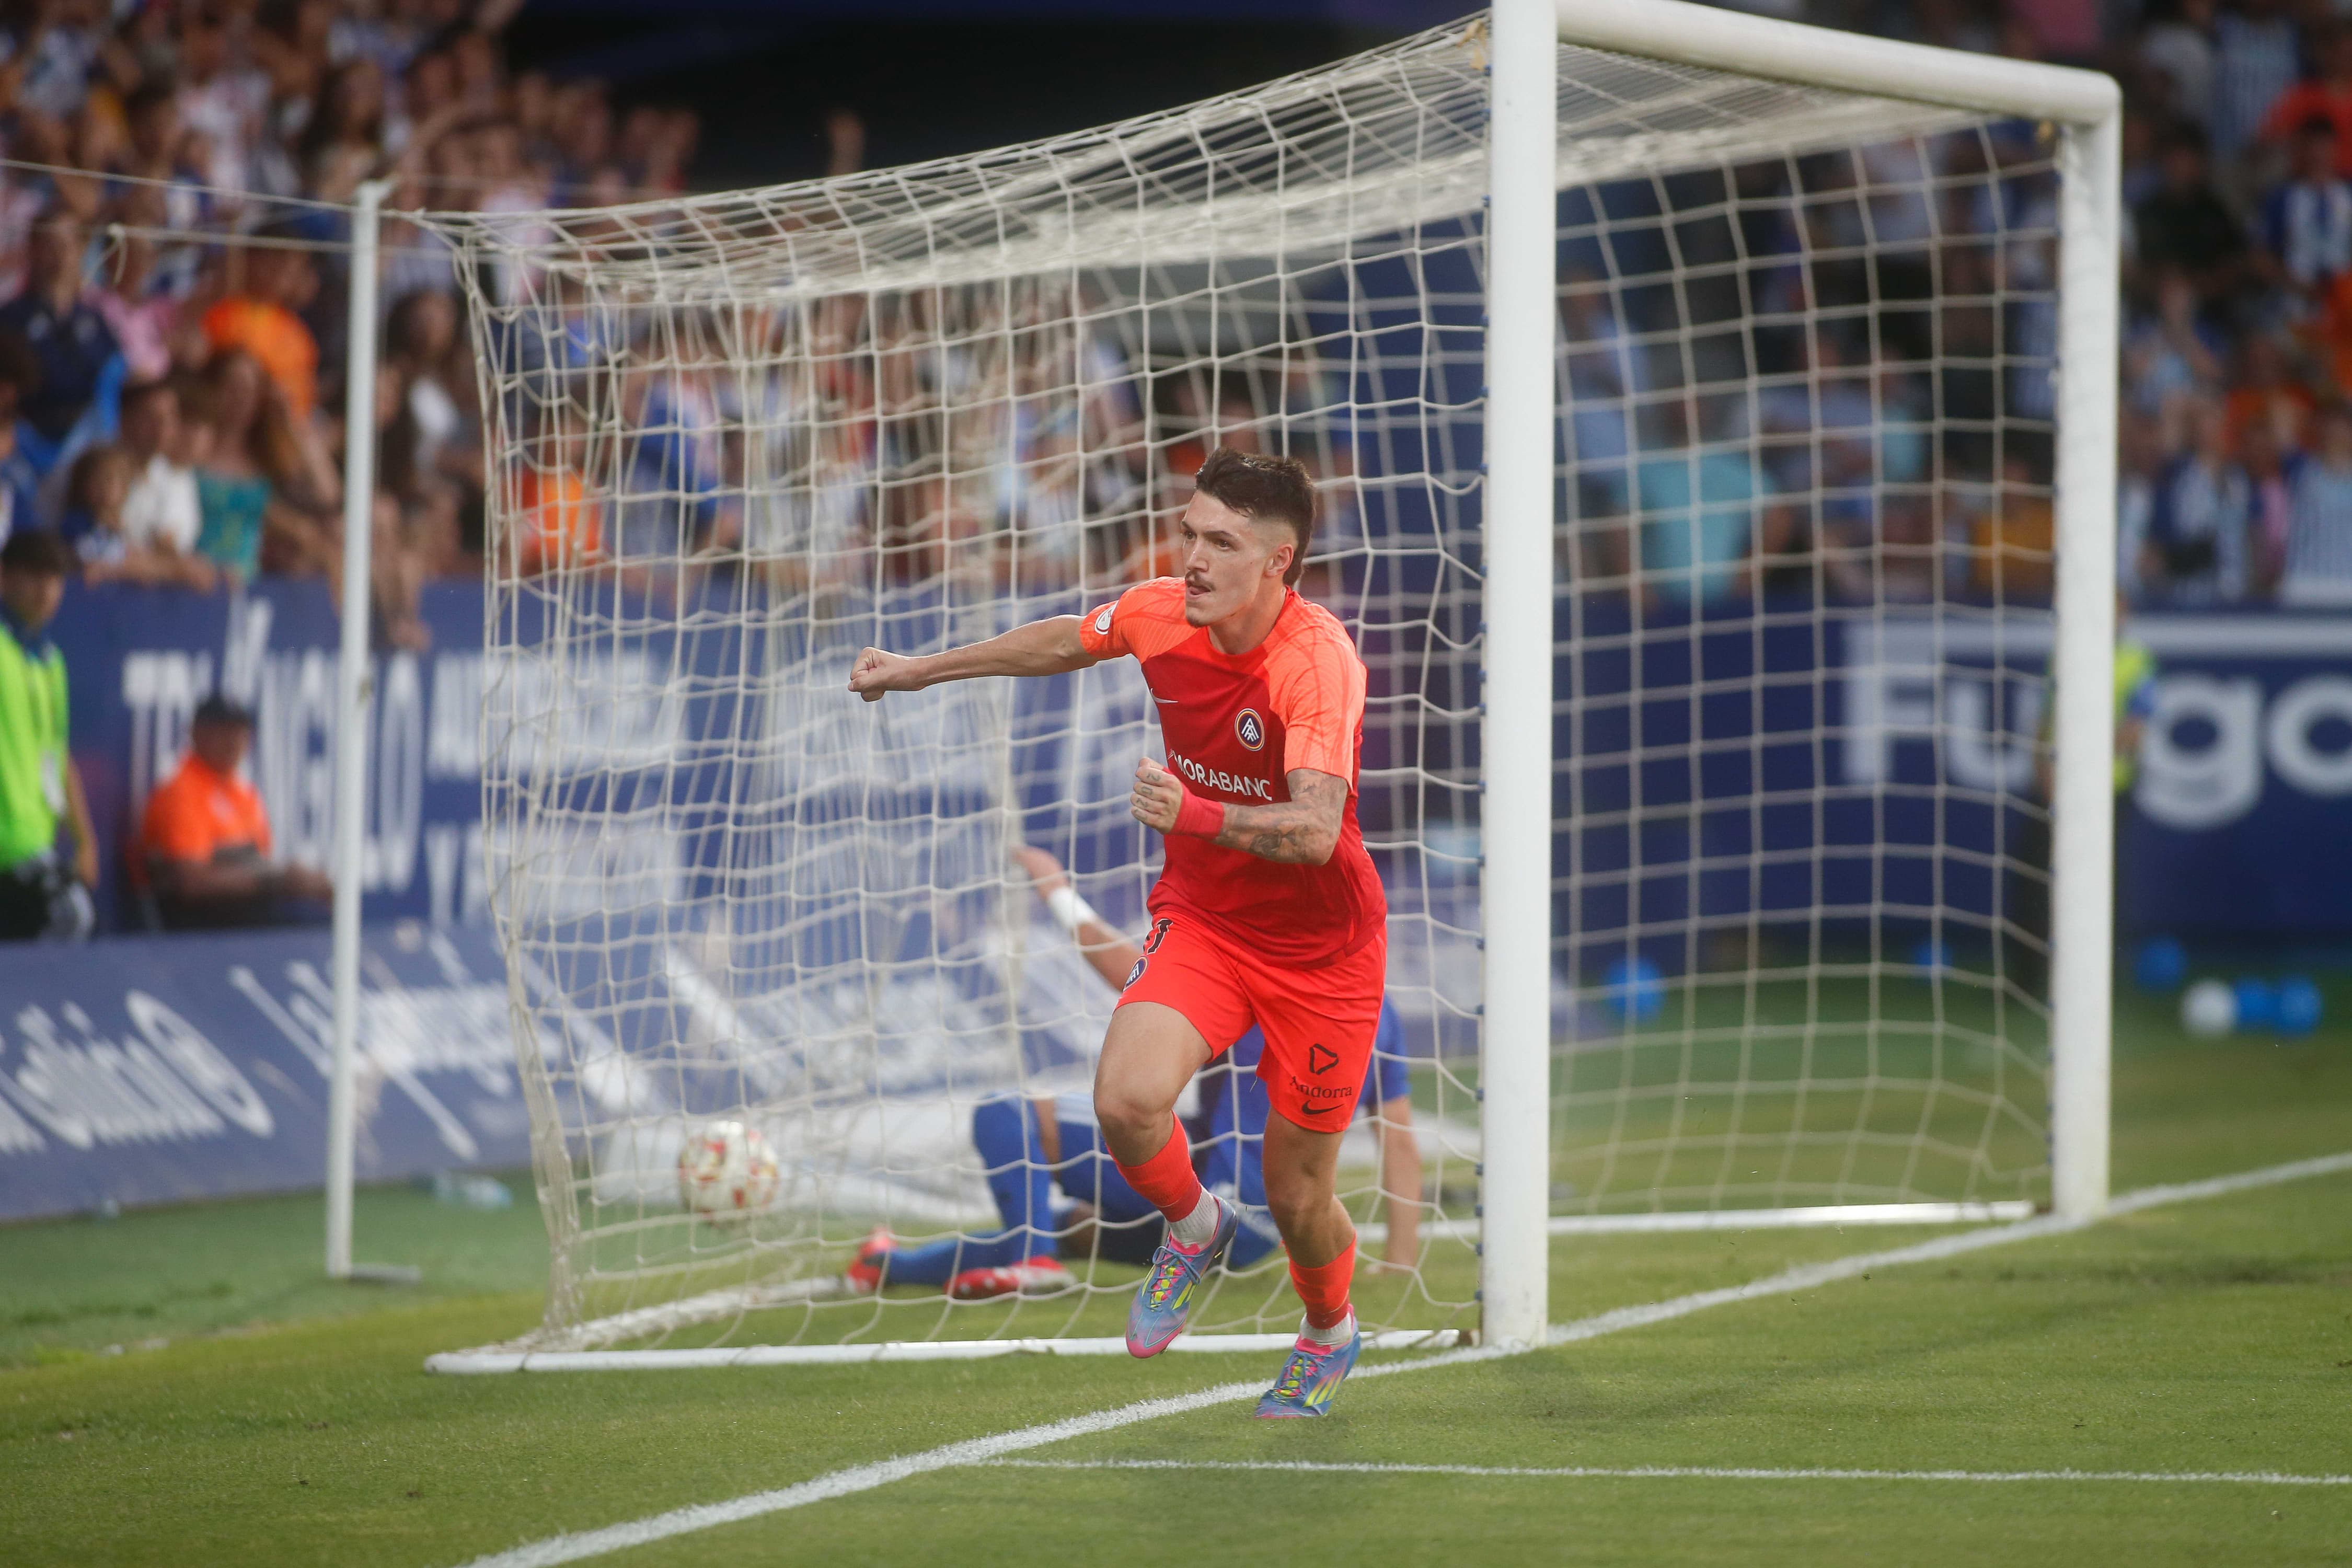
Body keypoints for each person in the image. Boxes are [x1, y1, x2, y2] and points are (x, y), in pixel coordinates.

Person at [850, 446, 1385, 1418]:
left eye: (1221, 542)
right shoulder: (1160, 612)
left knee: (1301, 1198)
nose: (1194, 557)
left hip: (1323, 957)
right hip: (1209, 923)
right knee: (1127, 1103)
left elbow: (1312, 833)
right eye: (1189, 531)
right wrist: (922, 671)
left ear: (1279, 561)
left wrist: (1199, 816)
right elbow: (1064, 641)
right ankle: (1192, 1225)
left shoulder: (1318, 664)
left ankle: (1328, 1331)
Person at [847, 844, 1423, 1301]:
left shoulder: (1252, 978)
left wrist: (1055, 890)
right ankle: (887, 1264)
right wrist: (1399, 1257)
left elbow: (1121, 965)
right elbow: (1396, 1139)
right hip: (1260, 1235)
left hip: (1201, 1196)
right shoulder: (1377, 1013)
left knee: (1007, 1116)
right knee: (1063, 1226)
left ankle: (1029, 1260)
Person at [137, 692, 331, 930]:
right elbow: (191, 883)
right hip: (202, 925)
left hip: (248, 917)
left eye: (239, 732)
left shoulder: (243, 794)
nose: (233, 742)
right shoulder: (181, 791)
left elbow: (258, 862)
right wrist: (277, 881)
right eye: (223, 732)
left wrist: (297, 879)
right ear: (197, 733)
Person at [0, 529, 96, 941]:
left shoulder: (50, 661)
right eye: (35, 577)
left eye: (55, 580)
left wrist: (84, 839)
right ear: (5, 578)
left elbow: (57, 756)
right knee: (70, 917)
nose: (46, 591)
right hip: (9, 851)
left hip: (34, 844)